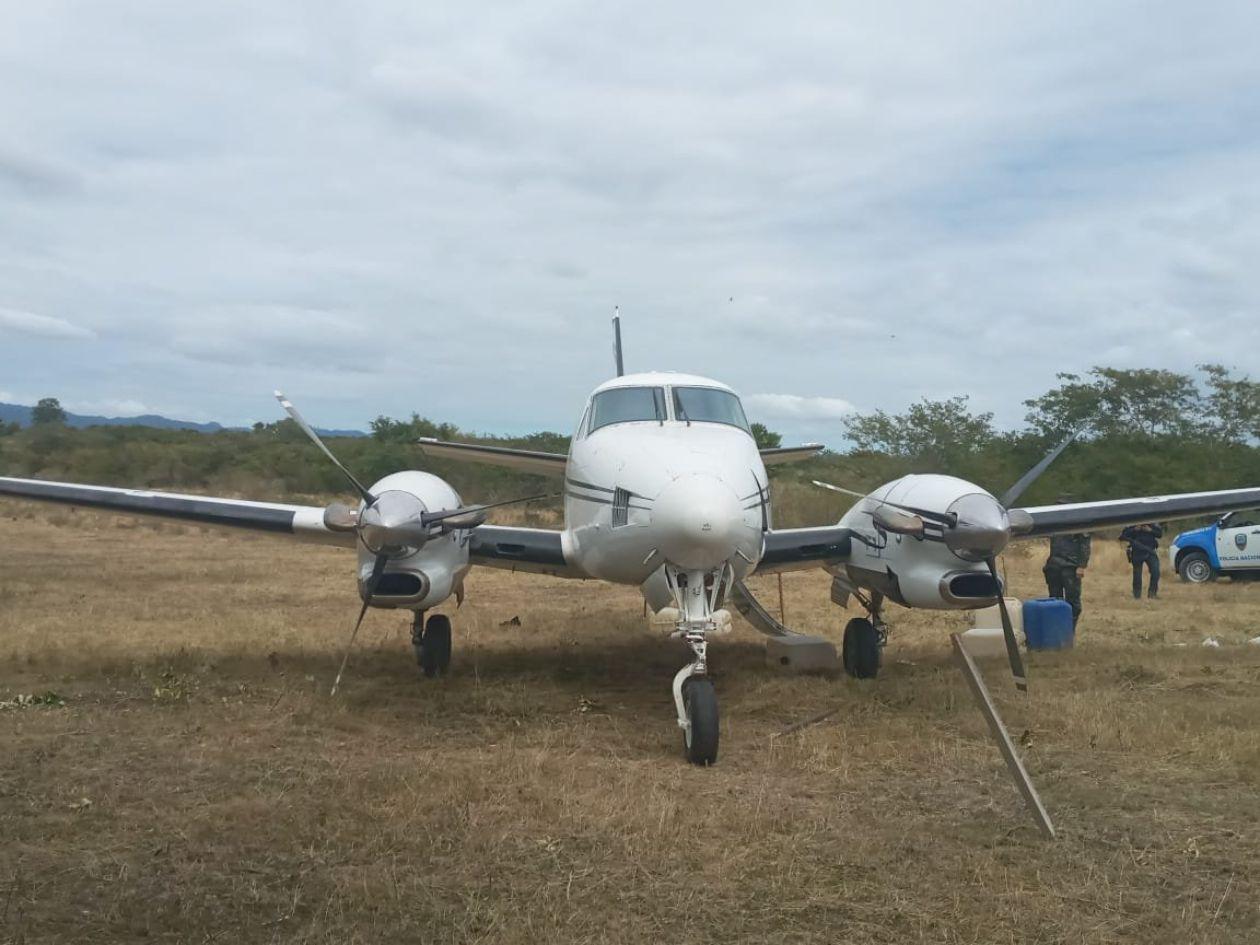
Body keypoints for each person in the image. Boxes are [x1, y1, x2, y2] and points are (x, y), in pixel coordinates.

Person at [1043, 495, 1091, 628]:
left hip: (1071, 566)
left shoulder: (1078, 524)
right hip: (1054, 565)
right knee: (1054, 599)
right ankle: (1057, 628)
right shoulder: (1054, 524)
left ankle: (1070, 629)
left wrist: (1081, 566)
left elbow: (1085, 546)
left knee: (1073, 601)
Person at [1119, 522, 1163, 599]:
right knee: (1137, 575)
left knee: (1156, 572)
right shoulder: (1133, 522)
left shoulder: (1151, 523)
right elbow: (1123, 536)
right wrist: (1134, 529)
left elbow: (1159, 534)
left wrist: (1150, 530)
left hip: (1150, 551)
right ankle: (1137, 595)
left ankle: (1152, 593)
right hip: (1137, 551)